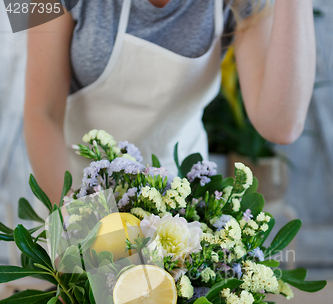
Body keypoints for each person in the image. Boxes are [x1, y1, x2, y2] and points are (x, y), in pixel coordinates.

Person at [24, 0, 315, 205]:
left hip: (179, 212)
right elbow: (42, 113)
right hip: (68, 193)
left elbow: (281, 126)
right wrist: (77, 227)